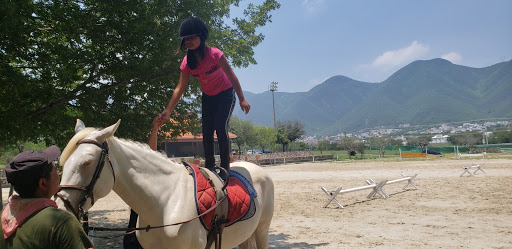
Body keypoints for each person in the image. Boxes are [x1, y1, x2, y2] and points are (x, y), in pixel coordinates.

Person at [159, 17, 250, 180]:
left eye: (192, 37)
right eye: (186, 39)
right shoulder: (187, 62)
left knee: (221, 128)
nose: (188, 41)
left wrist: (242, 98)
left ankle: (224, 169)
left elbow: (232, 76)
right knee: (206, 132)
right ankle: (209, 168)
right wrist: (168, 110)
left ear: (202, 37)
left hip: (226, 94)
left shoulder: (215, 54)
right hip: (208, 97)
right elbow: (180, 88)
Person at [1, 146, 94, 249]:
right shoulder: (62, 222)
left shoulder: (3, 217)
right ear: (43, 184)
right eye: (55, 171)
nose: (59, 175)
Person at [123, 115, 164, 249]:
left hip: (151, 232)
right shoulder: (132, 173)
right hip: (135, 231)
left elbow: (151, 154)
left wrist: (155, 130)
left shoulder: (151, 174)